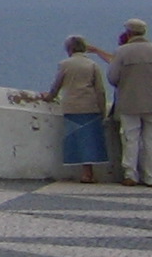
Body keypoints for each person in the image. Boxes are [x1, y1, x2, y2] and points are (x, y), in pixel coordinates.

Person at [13, 36, 109, 182]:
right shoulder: (92, 65)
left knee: (77, 139)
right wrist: (103, 110)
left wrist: (48, 97)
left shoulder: (65, 64)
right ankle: (88, 173)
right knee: (90, 140)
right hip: (90, 106)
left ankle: (86, 173)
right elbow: (100, 90)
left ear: (70, 49)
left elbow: (56, 86)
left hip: (71, 106)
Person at [103, 18, 152, 187]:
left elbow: (112, 78)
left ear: (128, 33)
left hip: (129, 102)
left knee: (130, 138)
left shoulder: (121, 52)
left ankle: (130, 175)